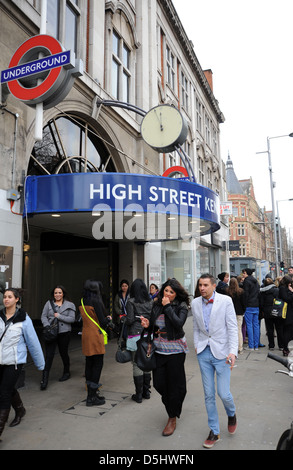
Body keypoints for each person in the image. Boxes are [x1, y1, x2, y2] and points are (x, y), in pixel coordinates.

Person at [192, 273, 238, 449]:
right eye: (200, 285)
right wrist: (197, 345)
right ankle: (214, 431)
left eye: (205, 285)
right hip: (203, 352)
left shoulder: (226, 301)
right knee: (209, 394)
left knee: (224, 393)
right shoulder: (195, 303)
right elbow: (196, 328)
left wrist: (233, 352)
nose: (202, 288)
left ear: (213, 286)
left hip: (223, 353)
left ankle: (231, 413)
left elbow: (232, 327)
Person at [141, 278, 189, 437]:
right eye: (166, 291)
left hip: (176, 352)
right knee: (159, 385)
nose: (168, 294)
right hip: (159, 350)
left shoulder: (181, 306)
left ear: (176, 294)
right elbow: (155, 325)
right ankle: (172, 404)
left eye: (171, 292)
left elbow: (178, 324)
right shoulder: (155, 304)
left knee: (176, 386)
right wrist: (148, 324)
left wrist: (167, 306)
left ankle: (172, 417)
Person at [0, 288, 45, 440]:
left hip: (15, 362)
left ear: (16, 299)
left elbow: (33, 343)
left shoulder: (24, 319)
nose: (6, 299)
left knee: (4, 393)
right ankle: (20, 410)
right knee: (7, 387)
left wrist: (41, 364)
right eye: (5, 297)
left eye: (9, 297)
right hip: (0, 360)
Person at [79, 279, 111, 406]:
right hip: (95, 335)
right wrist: (108, 319)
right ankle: (92, 397)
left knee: (89, 363)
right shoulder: (96, 301)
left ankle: (90, 394)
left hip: (86, 334)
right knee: (98, 363)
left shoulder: (82, 301)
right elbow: (102, 322)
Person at [40, 285, 76, 390]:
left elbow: (72, 319)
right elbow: (43, 316)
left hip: (64, 333)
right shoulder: (49, 303)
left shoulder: (70, 305)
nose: (58, 295)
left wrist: (59, 316)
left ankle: (66, 372)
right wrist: (46, 326)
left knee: (63, 353)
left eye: (60, 293)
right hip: (51, 332)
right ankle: (44, 379)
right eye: (56, 293)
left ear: (63, 293)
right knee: (49, 355)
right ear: (53, 294)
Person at [125, 279, 153, 403]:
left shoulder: (131, 302)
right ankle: (147, 392)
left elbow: (130, 320)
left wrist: (124, 319)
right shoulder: (150, 301)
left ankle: (139, 394)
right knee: (146, 362)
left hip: (135, 335)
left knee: (137, 363)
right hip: (148, 335)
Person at [259, 278, 284, 351]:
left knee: (270, 330)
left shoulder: (263, 292)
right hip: (277, 311)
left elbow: (261, 303)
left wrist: (263, 310)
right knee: (279, 329)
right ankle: (281, 345)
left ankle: (271, 345)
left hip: (267, 312)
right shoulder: (277, 290)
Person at [226, 277, 245, 354]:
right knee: (238, 330)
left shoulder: (227, 291)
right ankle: (240, 347)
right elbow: (244, 303)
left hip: (230, 313)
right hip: (239, 312)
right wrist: (243, 311)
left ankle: (231, 347)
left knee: (230, 330)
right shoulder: (241, 291)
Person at [242, 268, 260, 351]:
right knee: (256, 325)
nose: (243, 274)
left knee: (249, 325)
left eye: (244, 273)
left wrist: (244, 305)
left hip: (249, 305)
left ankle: (251, 345)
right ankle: (256, 345)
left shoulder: (246, 281)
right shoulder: (256, 282)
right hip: (256, 305)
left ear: (247, 273)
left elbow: (246, 294)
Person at [278, 275, 293, 356]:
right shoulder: (282, 289)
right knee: (287, 331)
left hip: (289, 312)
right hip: (285, 313)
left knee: (289, 331)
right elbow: (287, 299)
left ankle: (287, 348)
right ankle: (286, 348)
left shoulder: (285, 288)